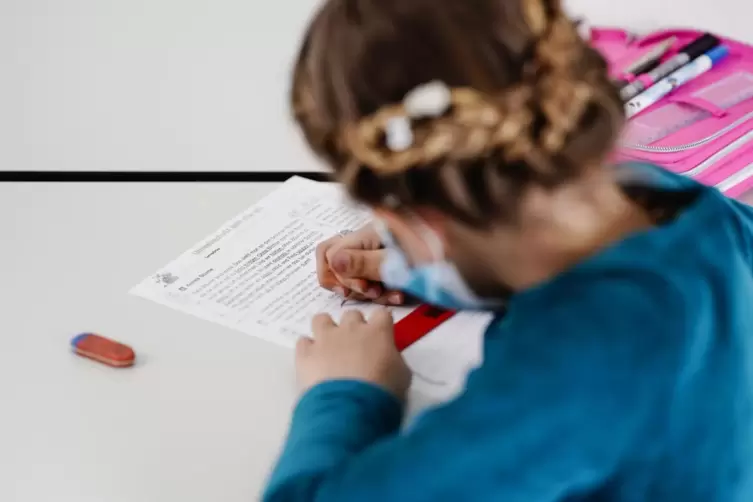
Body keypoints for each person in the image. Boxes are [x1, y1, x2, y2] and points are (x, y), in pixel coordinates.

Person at [263, 0, 753, 500]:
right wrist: (417, 264)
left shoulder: (568, 373)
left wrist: (344, 392)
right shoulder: (685, 206)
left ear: (421, 221)